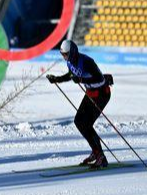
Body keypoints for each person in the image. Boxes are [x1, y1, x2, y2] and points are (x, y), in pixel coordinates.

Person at [46, 40, 112, 168]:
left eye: (65, 54)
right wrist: (57, 79)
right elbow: (71, 74)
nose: (64, 57)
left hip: (102, 94)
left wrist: (81, 79)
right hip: (92, 92)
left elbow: (99, 78)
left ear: (72, 53)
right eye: (62, 54)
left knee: (86, 124)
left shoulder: (87, 61)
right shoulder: (71, 62)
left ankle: (101, 157)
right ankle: (96, 152)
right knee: (78, 121)